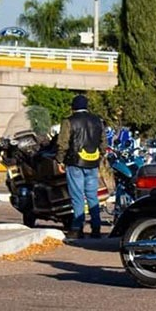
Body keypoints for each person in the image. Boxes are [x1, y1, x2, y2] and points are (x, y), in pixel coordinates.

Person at [56, 94, 107, 239]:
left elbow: (63, 143)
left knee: (77, 196)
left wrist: (60, 160)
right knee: (92, 196)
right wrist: (100, 156)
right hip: (92, 162)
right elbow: (103, 143)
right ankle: (96, 227)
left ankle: (77, 228)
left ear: (73, 107)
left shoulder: (69, 121)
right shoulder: (97, 120)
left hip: (75, 162)